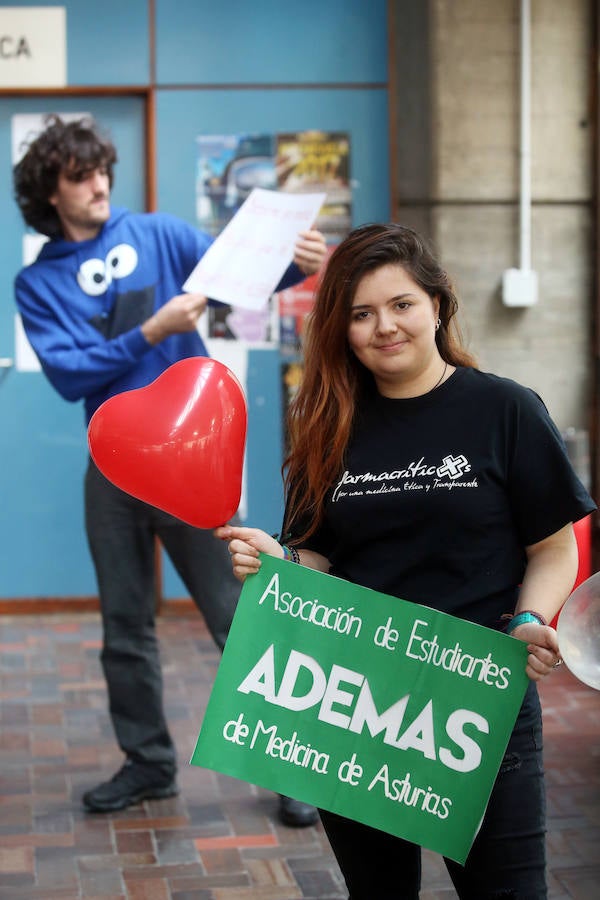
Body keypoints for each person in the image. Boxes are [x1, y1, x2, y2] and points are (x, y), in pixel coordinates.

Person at [216, 223, 596, 898]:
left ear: (437, 306)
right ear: (341, 327)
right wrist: (280, 568)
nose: (383, 327)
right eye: (361, 314)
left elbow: (554, 546)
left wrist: (529, 619)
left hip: (477, 698)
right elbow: (317, 558)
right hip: (354, 701)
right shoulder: (326, 422)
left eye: (401, 305)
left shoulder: (503, 409)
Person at [13, 114, 325, 827]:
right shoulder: (37, 283)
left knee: (236, 614)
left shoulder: (156, 233)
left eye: (102, 172)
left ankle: (291, 764)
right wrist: (151, 330)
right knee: (125, 624)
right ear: (49, 193)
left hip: (193, 461)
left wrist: (298, 261)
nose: (99, 185)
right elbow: (67, 374)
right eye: (79, 176)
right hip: (113, 468)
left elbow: (242, 274)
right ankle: (149, 765)